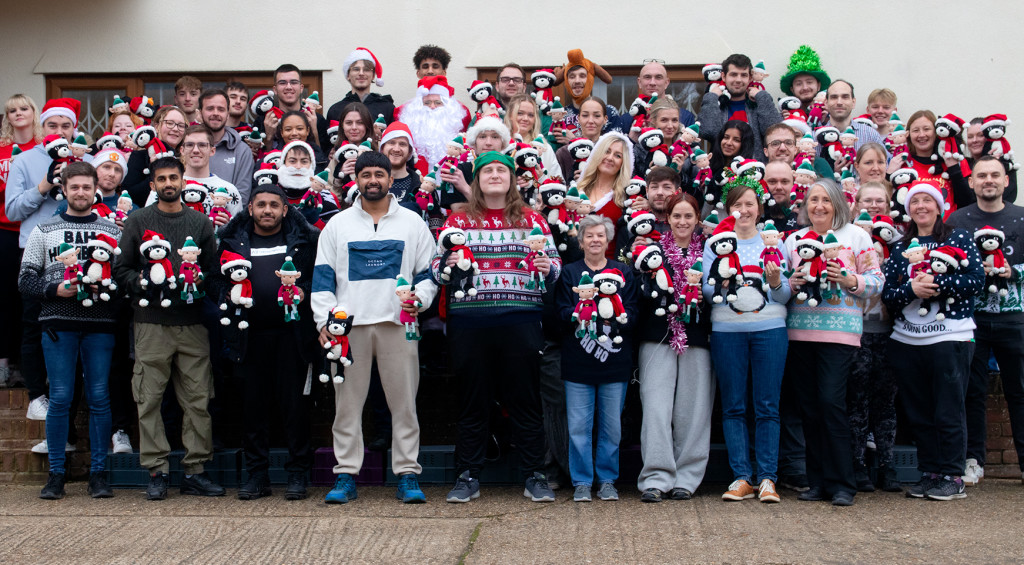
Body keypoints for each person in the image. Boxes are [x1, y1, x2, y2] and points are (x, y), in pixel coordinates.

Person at [432, 151, 561, 504]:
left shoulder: (533, 220)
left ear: (512, 179)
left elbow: (556, 268)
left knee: (526, 401)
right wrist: (449, 262)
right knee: (473, 401)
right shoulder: (457, 223)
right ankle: (467, 475)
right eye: (486, 170)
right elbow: (433, 269)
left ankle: (535, 475)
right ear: (476, 180)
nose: (494, 175)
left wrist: (547, 266)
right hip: (470, 321)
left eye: (500, 170)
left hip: (520, 319)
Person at [113, 156, 222, 501]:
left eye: (174, 177)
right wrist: (144, 282)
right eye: (162, 179)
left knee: (198, 399)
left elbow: (215, 273)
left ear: (183, 181)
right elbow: (121, 269)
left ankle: (196, 471)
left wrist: (198, 283)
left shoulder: (201, 223)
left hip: (192, 324)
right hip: (150, 324)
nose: (169, 184)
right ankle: (156, 470)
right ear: (153, 185)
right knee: (149, 399)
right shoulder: (138, 219)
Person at [209, 183, 319, 500]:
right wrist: (226, 294)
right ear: (250, 209)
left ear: (285, 209)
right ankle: (257, 476)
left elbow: (319, 278)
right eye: (261, 205)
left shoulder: (304, 241)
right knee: (252, 410)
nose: (267, 210)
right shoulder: (232, 241)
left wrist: (304, 293)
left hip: (293, 337)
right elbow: (215, 278)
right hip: (248, 337)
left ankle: (298, 474)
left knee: (295, 408)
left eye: (274, 205)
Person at [19, 161, 120, 500]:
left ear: (96, 190)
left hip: (100, 325)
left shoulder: (113, 231)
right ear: (63, 189)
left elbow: (123, 279)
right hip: (57, 324)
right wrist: (54, 291)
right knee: (60, 398)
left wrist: (107, 286)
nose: (80, 192)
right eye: (74, 187)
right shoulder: (44, 229)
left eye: (86, 187)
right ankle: (57, 474)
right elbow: (25, 280)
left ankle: (99, 474)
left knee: (99, 398)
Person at [784, 178, 883, 507]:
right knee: (810, 409)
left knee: (830, 403)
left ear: (838, 203)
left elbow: (876, 281)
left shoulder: (856, 236)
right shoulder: (793, 240)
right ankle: (817, 482)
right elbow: (784, 287)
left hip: (839, 333)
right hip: (799, 332)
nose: (819, 206)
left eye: (826, 200)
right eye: (813, 200)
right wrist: (789, 282)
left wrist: (851, 279)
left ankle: (843, 483)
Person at [883, 180, 984, 501]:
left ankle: (952, 475)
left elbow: (976, 280)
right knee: (920, 411)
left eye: (928, 201)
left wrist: (938, 283)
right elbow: (888, 294)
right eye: (915, 202)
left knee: (948, 409)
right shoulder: (901, 246)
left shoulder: (958, 237)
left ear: (939, 207)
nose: (921, 206)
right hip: (907, 341)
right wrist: (912, 290)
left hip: (950, 337)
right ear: (908, 209)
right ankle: (930, 473)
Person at [703, 176, 790, 504]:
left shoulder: (774, 243)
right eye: (737, 205)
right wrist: (723, 284)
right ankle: (742, 476)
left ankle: (768, 477)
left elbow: (783, 296)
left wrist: (776, 280)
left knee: (767, 406)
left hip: (769, 331)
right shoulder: (715, 244)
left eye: (749, 204)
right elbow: (708, 292)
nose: (743, 210)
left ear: (759, 207)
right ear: (728, 208)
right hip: (727, 333)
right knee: (734, 406)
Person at [6, 97, 90, 427]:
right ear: (43, 127)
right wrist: (44, 186)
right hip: (36, 251)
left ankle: (67, 397)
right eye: (52, 125)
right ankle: (35, 396)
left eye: (65, 126)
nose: (59, 131)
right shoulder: (25, 161)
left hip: (76, 254)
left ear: (74, 129)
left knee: (73, 327)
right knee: (32, 325)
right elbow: (12, 210)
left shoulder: (86, 159)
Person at [948, 156, 1024, 487]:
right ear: (973, 182)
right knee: (970, 391)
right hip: (971, 319)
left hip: (1014, 320)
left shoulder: (1021, 218)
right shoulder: (957, 219)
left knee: (1020, 391)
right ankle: (973, 459)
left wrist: (1013, 272)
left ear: (1006, 181)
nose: (988, 180)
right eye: (982, 176)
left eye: (995, 175)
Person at [636, 192, 713, 502]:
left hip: (698, 338)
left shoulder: (710, 252)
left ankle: (688, 477)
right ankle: (656, 477)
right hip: (658, 337)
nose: (682, 222)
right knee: (656, 408)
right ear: (667, 219)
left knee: (693, 411)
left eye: (688, 216)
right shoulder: (651, 252)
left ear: (697, 220)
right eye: (676, 216)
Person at [555, 214, 636, 502]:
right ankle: (581, 481)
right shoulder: (569, 273)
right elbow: (561, 313)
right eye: (589, 235)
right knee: (578, 427)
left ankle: (607, 480)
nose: (595, 240)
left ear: (609, 239)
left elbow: (633, 313)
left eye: (600, 235)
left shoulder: (622, 272)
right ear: (580, 240)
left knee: (611, 426)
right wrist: (579, 312)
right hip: (577, 363)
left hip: (614, 363)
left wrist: (616, 317)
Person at [849, 180, 902, 492]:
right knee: (856, 402)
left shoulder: (899, 243)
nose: (873, 205)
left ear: (889, 204)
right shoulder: (850, 239)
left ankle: (887, 465)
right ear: (856, 205)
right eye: (866, 200)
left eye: (879, 200)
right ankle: (857, 465)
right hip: (856, 332)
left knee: (886, 403)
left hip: (888, 333)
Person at [0, 93, 42, 387]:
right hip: (3, 230)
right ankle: (6, 362)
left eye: (24, 108)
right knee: (5, 298)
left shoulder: (42, 150)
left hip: (32, 233)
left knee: (29, 298)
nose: (18, 113)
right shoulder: (1, 150)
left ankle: (30, 365)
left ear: (33, 112)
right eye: (12, 110)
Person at [148, 124, 242, 222]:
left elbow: (239, 232)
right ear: (182, 150)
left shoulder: (230, 191)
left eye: (202, 145)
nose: (196, 150)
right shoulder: (164, 187)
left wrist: (227, 228)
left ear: (212, 151)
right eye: (189, 145)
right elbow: (148, 223)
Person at [698, 53, 782, 156]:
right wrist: (712, 97)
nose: (738, 80)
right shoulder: (717, 105)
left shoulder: (757, 104)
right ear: (724, 76)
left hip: (755, 168)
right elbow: (708, 131)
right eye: (733, 74)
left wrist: (761, 96)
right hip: (722, 169)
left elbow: (775, 132)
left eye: (743, 75)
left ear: (750, 78)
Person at [896, 110, 973, 218]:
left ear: (936, 132)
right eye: (916, 130)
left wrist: (953, 169)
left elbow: (968, 201)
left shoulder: (956, 160)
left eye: (926, 129)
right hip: (914, 232)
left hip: (948, 229)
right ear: (908, 134)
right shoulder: (903, 164)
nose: (921, 135)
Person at [575, 131, 633, 256]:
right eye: (607, 151)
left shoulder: (625, 199)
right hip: (574, 267)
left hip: (610, 269)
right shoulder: (576, 190)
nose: (610, 158)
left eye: (618, 156)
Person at [549, 50, 619, 148]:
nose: (577, 81)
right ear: (566, 81)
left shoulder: (609, 112)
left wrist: (574, 140)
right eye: (572, 76)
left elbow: (615, 149)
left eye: (582, 76)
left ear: (590, 78)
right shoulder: (560, 115)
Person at [395, 75, 469, 169]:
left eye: (438, 103)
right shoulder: (408, 134)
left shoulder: (459, 135)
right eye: (427, 103)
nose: (432, 107)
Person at [255, 64, 330, 154]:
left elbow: (323, 159)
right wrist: (269, 137)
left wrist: (314, 131)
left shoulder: (316, 119)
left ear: (301, 88)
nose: (289, 87)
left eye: (294, 82)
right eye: (282, 83)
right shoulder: (264, 120)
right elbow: (260, 161)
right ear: (275, 89)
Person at [122, 105, 187, 206]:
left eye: (181, 125)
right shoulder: (139, 156)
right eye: (170, 123)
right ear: (156, 126)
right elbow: (129, 195)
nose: (175, 129)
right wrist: (155, 170)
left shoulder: (188, 158)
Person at [200, 89, 255, 205]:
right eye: (210, 109)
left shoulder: (242, 151)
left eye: (221, 109)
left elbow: (242, 198)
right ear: (200, 113)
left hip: (228, 219)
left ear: (227, 114)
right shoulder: (188, 145)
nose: (215, 113)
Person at [616, 60, 697, 135]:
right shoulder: (626, 120)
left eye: (658, 77)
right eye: (647, 77)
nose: (652, 82)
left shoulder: (685, 117)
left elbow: (691, 148)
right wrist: (632, 140)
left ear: (666, 83)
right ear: (639, 82)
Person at [616, 166, 679, 255]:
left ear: (678, 191)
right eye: (654, 187)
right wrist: (633, 255)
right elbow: (620, 266)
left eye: (667, 187)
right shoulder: (630, 227)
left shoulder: (685, 226)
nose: (660, 192)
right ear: (647, 191)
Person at [276, 140, 338, 228]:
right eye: (292, 161)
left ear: (311, 165)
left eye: (304, 162)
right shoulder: (272, 194)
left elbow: (335, 234)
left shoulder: (326, 197)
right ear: (283, 164)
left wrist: (316, 221)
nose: (298, 167)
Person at [326, 47, 395, 126]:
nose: (361, 73)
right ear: (348, 75)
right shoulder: (336, 109)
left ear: (373, 76)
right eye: (356, 69)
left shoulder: (387, 108)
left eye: (366, 69)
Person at [821, 80, 887, 161]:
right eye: (834, 97)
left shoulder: (870, 135)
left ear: (853, 102)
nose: (839, 102)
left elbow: (885, 165)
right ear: (826, 103)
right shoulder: (815, 137)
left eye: (845, 97)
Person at [503, 94, 561, 178]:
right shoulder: (501, 144)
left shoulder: (544, 148)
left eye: (530, 115)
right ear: (510, 116)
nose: (525, 118)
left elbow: (558, 181)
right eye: (520, 113)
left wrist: (541, 178)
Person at [554, 97, 609, 180]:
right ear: (578, 118)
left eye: (597, 116)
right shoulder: (564, 153)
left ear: (605, 119)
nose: (590, 121)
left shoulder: (611, 151)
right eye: (585, 115)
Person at [965, 117, 1018, 203]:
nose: (974, 140)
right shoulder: (964, 164)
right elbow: (965, 199)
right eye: (970, 137)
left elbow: (1009, 197)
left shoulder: (1005, 163)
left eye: (980, 135)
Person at [263, 111, 329, 171]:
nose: (294, 133)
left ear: (307, 131)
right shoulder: (271, 160)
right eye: (288, 129)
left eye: (299, 129)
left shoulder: (322, 160)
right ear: (282, 133)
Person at [778, 45, 832, 115]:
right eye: (798, 84)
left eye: (809, 82)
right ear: (792, 89)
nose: (805, 87)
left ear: (819, 86)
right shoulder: (785, 115)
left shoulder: (831, 114)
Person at [761, 161, 801, 232]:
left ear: (793, 184)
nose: (779, 187)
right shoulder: (753, 217)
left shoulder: (804, 218)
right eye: (772, 182)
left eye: (784, 182)